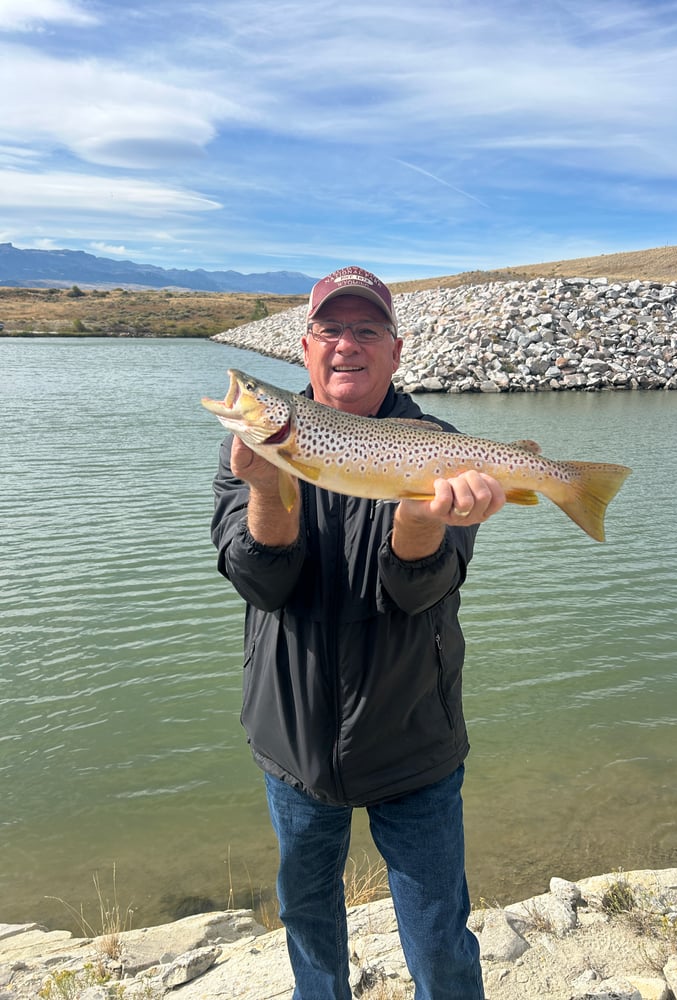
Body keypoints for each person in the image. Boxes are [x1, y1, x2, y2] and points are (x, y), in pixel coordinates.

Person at [210, 265, 506, 1000]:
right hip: (293, 745)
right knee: (308, 921)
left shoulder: (440, 446)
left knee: (439, 943)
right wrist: (266, 488)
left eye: (367, 330)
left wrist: (419, 517)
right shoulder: (253, 451)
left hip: (414, 745)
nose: (348, 344)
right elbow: (259, 582)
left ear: (396, 352)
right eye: (330, 330)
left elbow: (421, 592)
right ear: (305, 351)